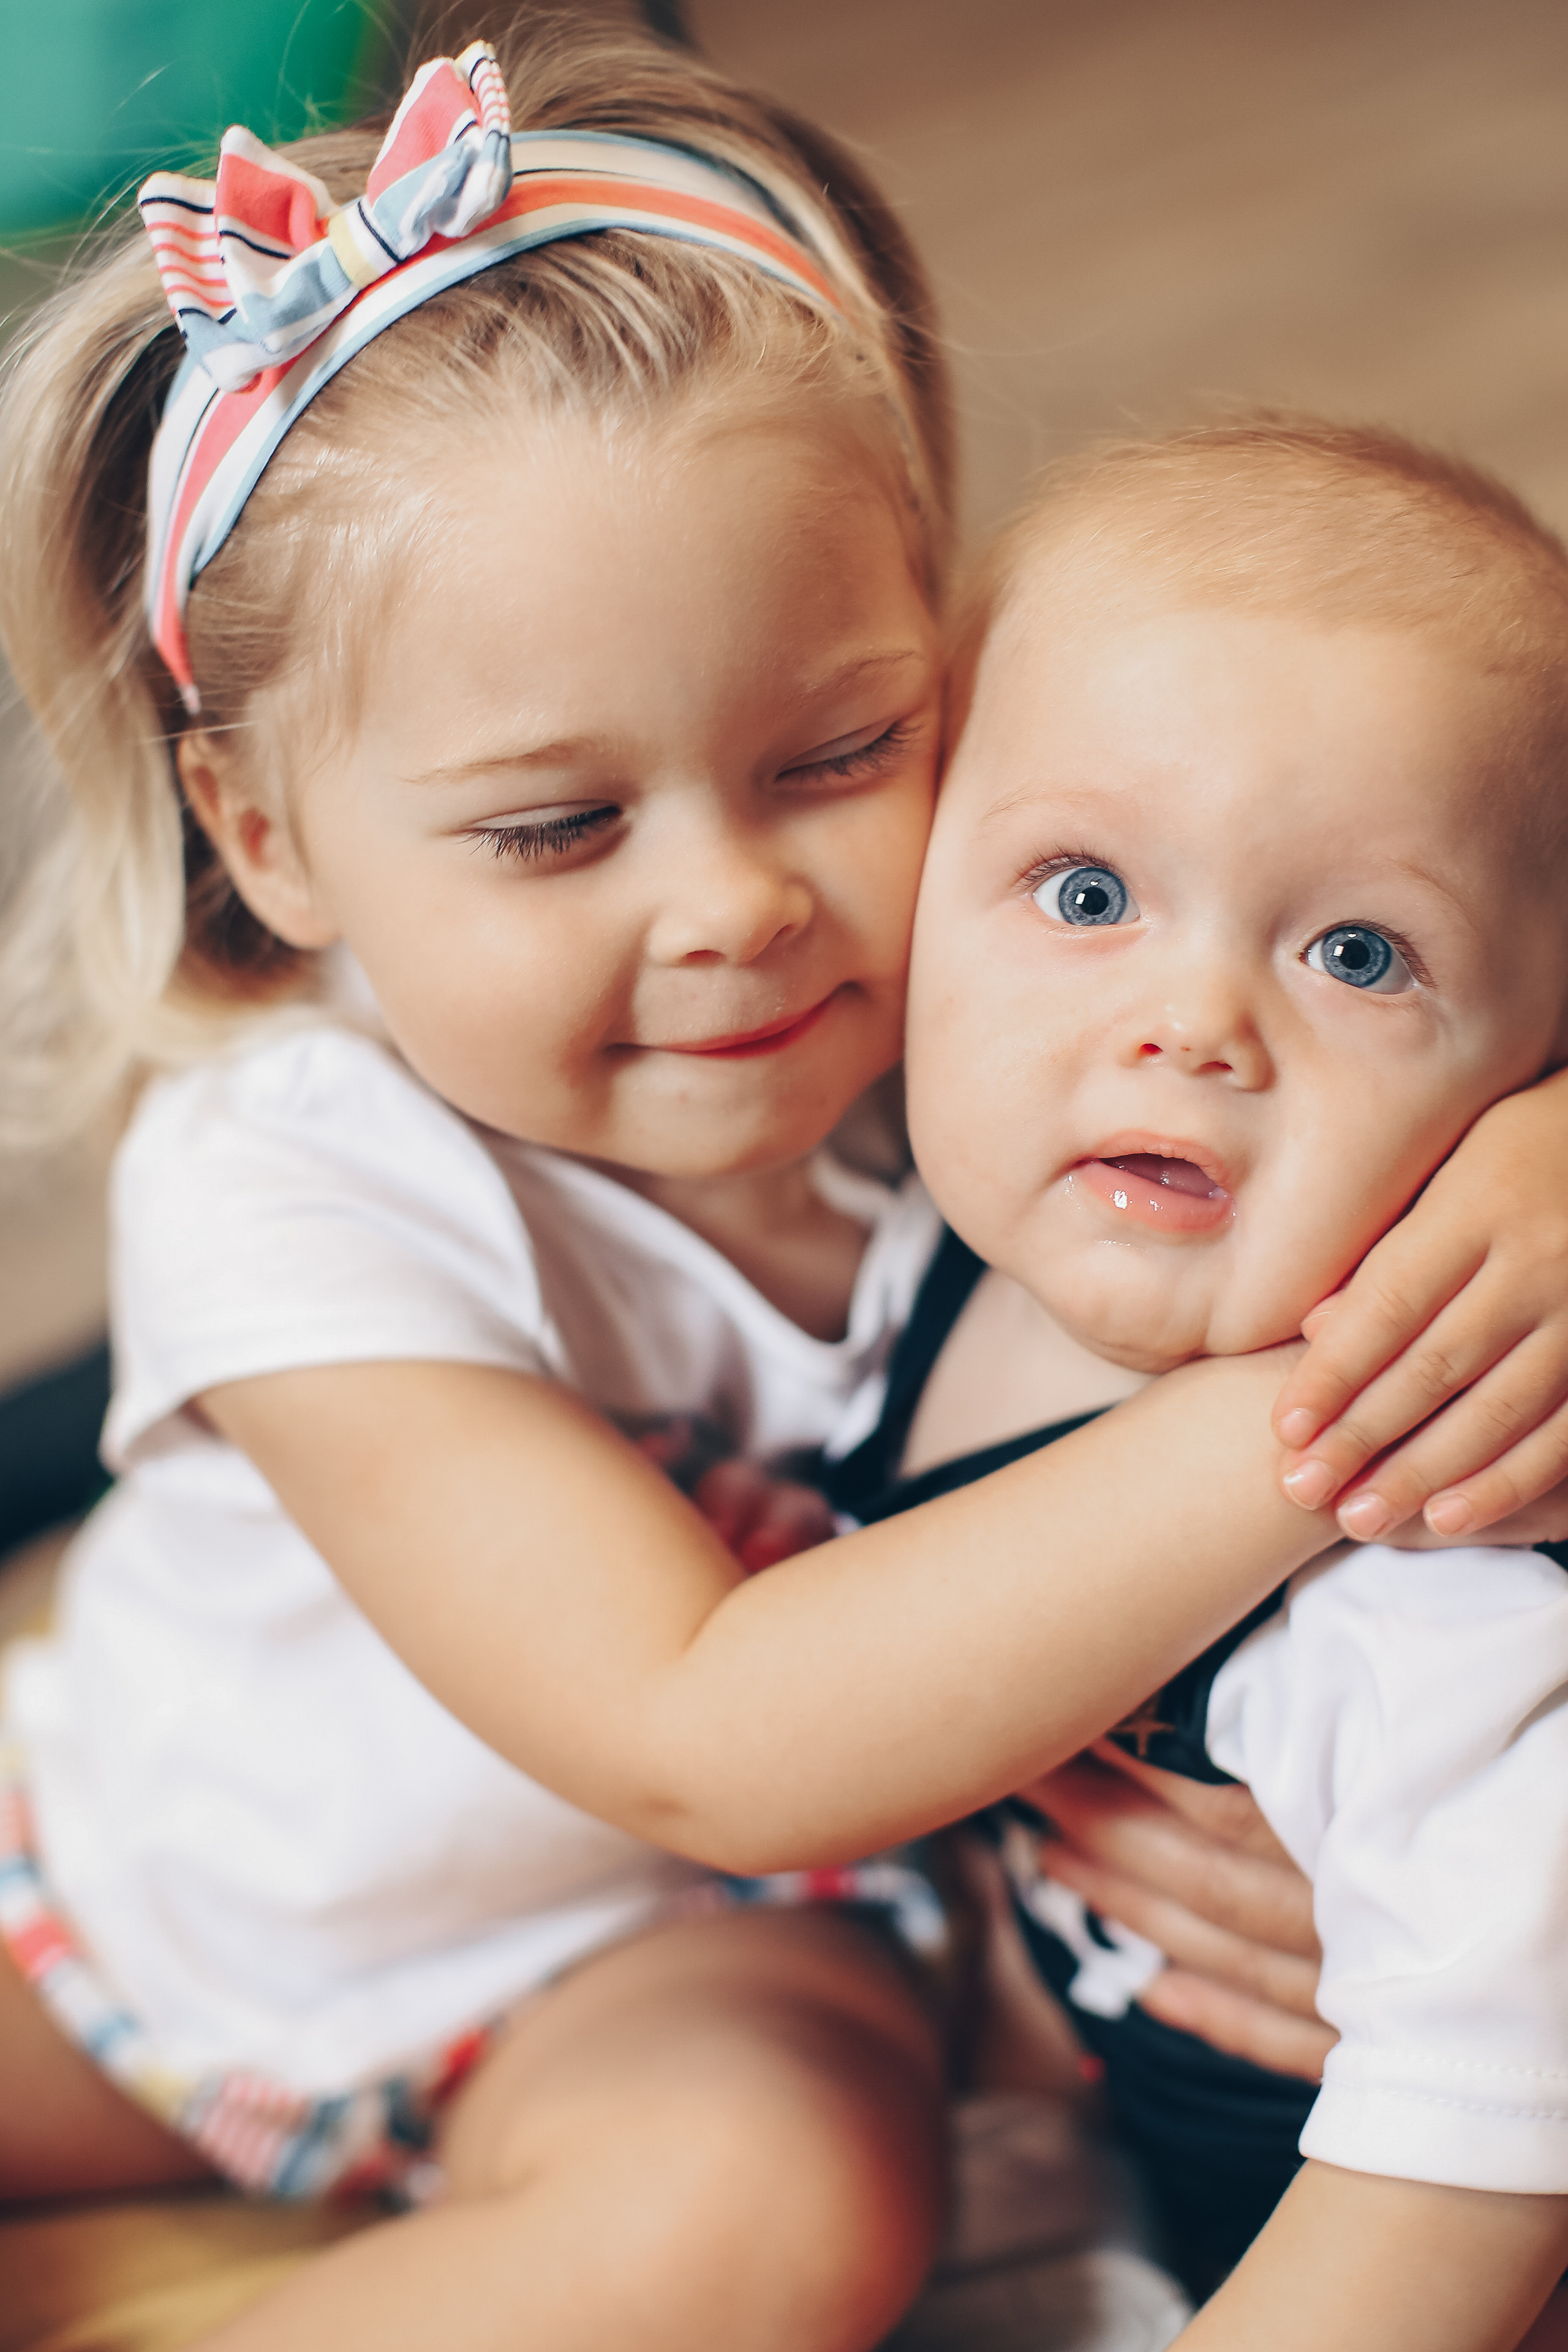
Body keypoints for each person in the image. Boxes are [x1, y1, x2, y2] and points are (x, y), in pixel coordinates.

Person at [1, 17, 1567, 2345]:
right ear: (270, 837)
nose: (734, 906)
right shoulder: (289, 1173)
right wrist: (1365, 1388)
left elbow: (1373, 851)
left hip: (678, 1979)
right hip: (148, 1898)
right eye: (557, 826)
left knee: (770, 2232)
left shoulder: (1041, 1023)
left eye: (837, 751)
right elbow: (703, 1727)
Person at [875, 415, 1568, 2348]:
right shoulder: (933, 1251)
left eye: (1361, 953)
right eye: (1086, 894)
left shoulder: (1420, 1587)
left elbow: (1467, 2181)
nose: (1191, 1025)